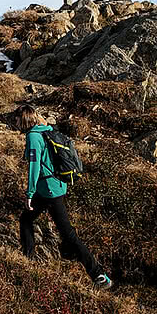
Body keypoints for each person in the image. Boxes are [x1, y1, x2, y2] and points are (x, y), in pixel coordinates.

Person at [15, 104, 113, 290]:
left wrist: (29, 193)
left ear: (24, 120)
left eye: (17, 119)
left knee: (67, 234)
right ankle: (28, 259)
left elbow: (34, 167)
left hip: (49, 191)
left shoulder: (33, 137)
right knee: (26, 220)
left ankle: (99, 275)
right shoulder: (45, 130)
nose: (15, 122)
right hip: (54, 187)